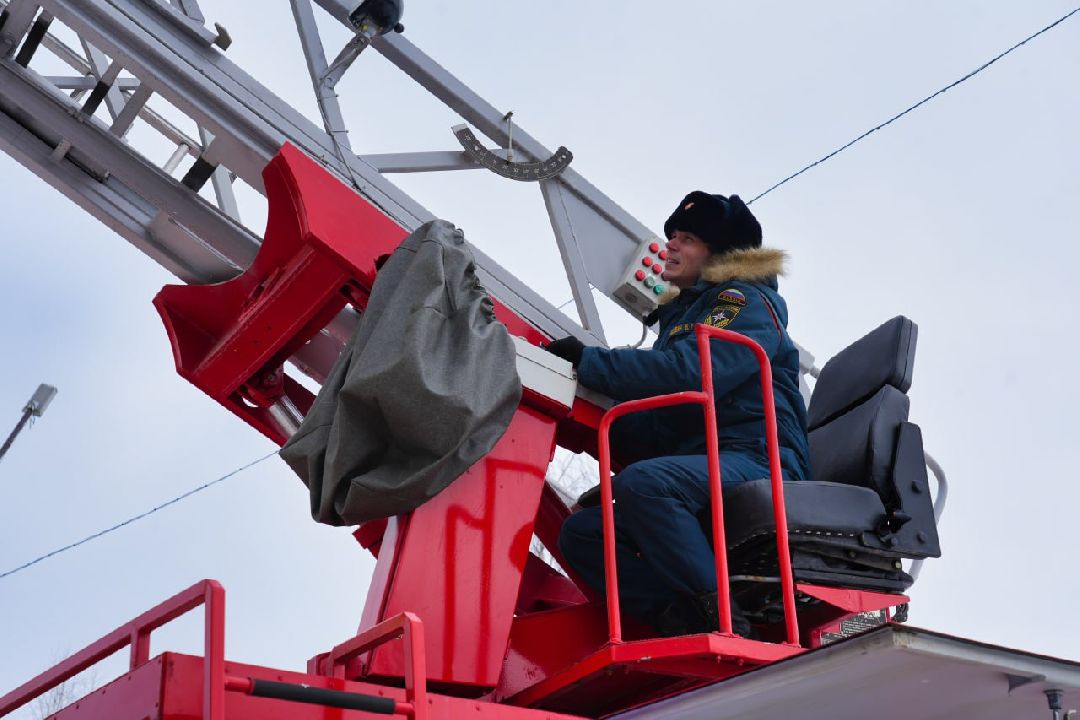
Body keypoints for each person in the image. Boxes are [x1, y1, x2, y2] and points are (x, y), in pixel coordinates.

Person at [544, 191, 810, 637]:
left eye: (686, 238)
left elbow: (689, 370)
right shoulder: (684, 318)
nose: (670, 245)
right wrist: (575, 419)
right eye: (672, 235)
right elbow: (662, 423)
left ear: (719, 254)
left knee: (645, 484)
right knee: (584, 533)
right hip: (708, 461)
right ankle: (679, 618)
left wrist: (589, 362)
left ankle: (723, 621)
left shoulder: (743, 301)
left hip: (759, 459)